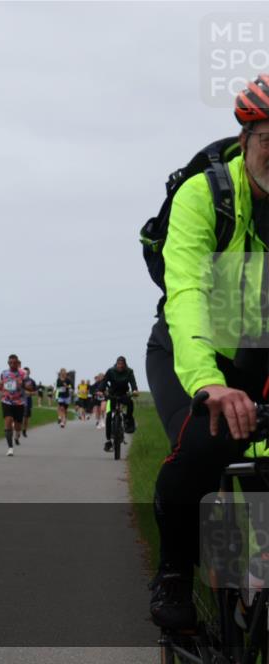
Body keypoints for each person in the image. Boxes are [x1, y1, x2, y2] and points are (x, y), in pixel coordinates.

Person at [148, 74, 269, 631]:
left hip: (258, 361)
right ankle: (174, 569)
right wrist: (208, 383)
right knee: (205, 444)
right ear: (244, 140)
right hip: (191, 355)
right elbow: (189, 295)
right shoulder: (205, 196)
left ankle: (250, 583)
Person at [102, 356, 139, 452]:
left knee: (130, 403)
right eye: (119, 364)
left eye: (122, 364)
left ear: (125, 365)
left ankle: (128, 420)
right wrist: (100, 390)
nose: (120, 366)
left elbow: (133, 382)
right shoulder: (110, 371)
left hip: (123, 394)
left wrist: (134, 390)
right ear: (116, 364)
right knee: (109, 416)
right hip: (112, 395)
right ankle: (108, 441)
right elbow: (104, 382)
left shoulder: (129, 371)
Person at [0, 354, 26, 456]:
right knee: (8, 421)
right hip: (7, 401)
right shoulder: (4, 373)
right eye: (10, 362)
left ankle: (17, 434)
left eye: (14, 362)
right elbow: (0, 385)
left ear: (18, 363)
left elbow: (29, 386)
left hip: (19, 402)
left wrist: (22, 384)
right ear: (8, 363)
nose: (12, 364)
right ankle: (10, 447)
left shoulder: (23, 373)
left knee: (18, 425)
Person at [21, 366, 37, 438]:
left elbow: (35, 392)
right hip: (19, 400)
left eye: (27, 372)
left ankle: (24, 430)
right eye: (24, 372)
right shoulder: (19, 380)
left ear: (29, 373)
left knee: (26, 417)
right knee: (18, 415)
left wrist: (30, 393)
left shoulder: (32, 381)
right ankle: (16, 428)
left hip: (28, 400)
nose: (25, 374)